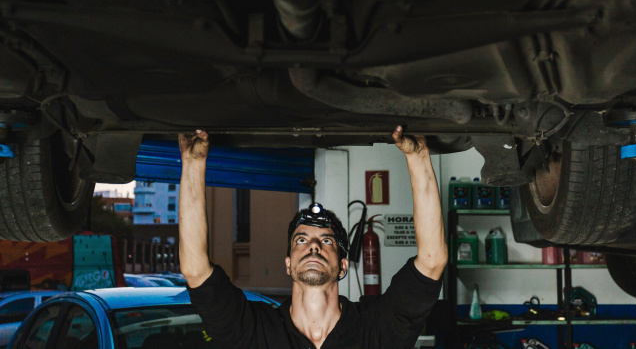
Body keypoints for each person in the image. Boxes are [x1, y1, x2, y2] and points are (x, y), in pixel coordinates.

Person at [178, 125, 448, 349]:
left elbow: (432, 260)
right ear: (288, 263)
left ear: (343, 265)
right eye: (301, 240)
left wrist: (419, 156)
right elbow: (196, 270)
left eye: (327, 240)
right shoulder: (255, 331)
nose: (314, 246)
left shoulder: (376, 328)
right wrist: (192, 162)